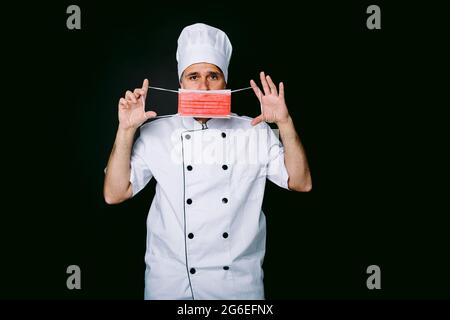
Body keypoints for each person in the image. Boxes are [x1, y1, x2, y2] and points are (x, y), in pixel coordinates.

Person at [103, 23, 312, 300]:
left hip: (237, 288)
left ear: (226, 82)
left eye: (213, 76)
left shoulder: (254, 131)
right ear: (180, 83)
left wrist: (284, 123)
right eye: (193, 77)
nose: (203, 87)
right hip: (169, 286)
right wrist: (126, 129)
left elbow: (301, 183)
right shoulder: (156, 132)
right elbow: (115, 193)